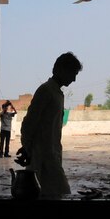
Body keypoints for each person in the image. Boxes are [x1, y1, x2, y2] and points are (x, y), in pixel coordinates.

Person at [15, 52, 82, 198]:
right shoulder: (46, 91)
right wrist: (27, 147)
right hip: (42, 156)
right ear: (62, 70)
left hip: (51, 154)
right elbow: (29, 123)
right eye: (73, 74)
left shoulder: (56, 93)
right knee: (59, 192)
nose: (74, 79)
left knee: (50, 194)